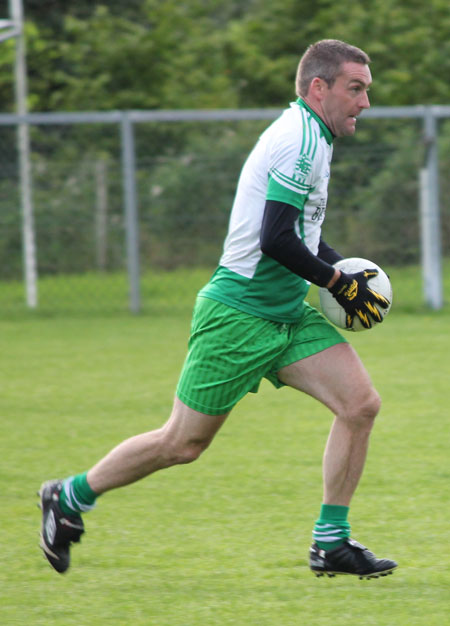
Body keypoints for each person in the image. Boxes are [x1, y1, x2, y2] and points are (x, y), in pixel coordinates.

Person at [39, 39, 397, 579]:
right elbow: (276, 238)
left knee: (360, 405)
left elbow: (302, 232)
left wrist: (343, 270)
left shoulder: (315, 138)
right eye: (356, 88)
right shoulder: (299, 140)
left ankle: (331, 542)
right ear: (318, 88)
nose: (365, 102)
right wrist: (334, 282)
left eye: (366, 90)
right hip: (237, 314)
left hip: (284, 313)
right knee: (181, 444)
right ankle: (70, 497)